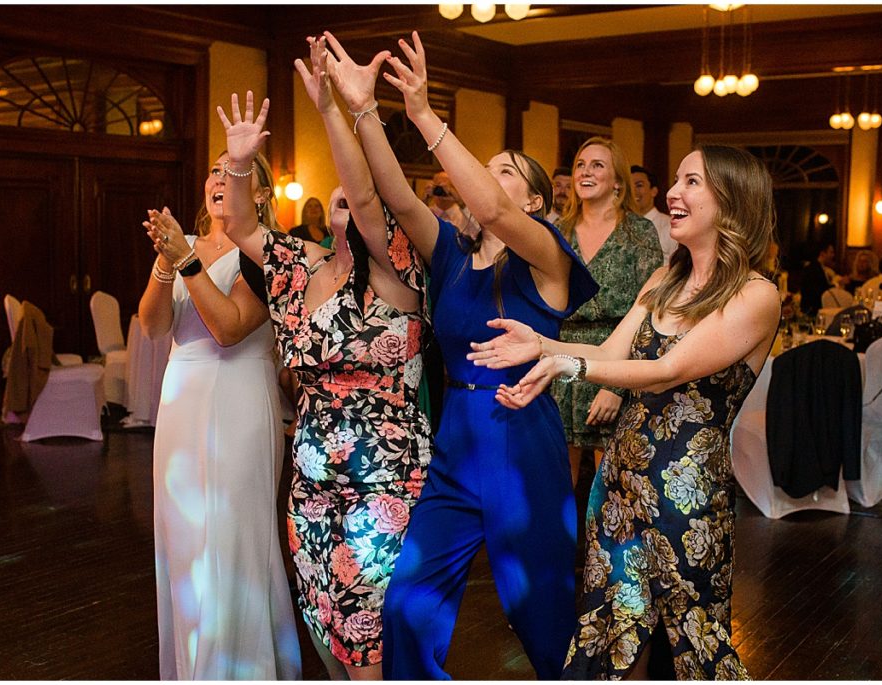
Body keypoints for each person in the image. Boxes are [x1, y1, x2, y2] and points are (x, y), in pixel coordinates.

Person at [321, 30, 598, 679]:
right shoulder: (448, 253)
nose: (485, 178)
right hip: (456, 447)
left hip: (523, 444)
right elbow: (393, 195)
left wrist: (423, 112)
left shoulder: (547, 259)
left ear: (534, 200)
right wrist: (362, 110)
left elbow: (495, 209)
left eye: (504, 168)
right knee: (407, 607)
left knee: (544, 619)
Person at [468, 145, 780, 680]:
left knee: (696, 644)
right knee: (610, 634)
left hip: (687, 503)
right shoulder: (664, 280)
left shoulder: (756, 295)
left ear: (732, 201)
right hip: (619, 486)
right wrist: (542, 344)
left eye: (692, 183)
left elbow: (667, 370)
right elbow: (612, 353)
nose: (674, 194)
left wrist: (565, 364)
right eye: (677, 180)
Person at [219, 69, 433, 679]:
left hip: (385, 482)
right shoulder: (296, 266)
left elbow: (366, 199)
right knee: (324, 623)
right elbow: (240, 227)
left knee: (366, 631)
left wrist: (331, 108)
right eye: (338, 187)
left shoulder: (399, 276)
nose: (348, 193)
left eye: (360, 193)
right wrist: (238, 164)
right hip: (310, 480)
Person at [139, 152, 301, 679]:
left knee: (234, 534)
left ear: (257, 195)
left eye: (232, 173)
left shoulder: (270, 254)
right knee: (184, 535)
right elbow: (153, 326)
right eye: (211, 170)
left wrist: (185, 260)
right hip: (181, 399)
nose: (217, 179)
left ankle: (243, 667)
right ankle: (193, 666)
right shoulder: (183, 245)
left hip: (240, 398)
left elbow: (229, 328)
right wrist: (167, 264)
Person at [554, 139, 663, 488]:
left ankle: (603, 544)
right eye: (580, 165)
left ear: (618, 180)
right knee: (558, 474)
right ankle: (560, 543)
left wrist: (616, 385)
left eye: (597, 165)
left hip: (617, 354)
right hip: (563, 353)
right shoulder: (559, 232)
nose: (586, 171)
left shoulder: (638, 231)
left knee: (610, 478)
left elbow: (650, 311)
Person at [631, 164, 677, 265]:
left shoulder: (670, 226)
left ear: (654, 191)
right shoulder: (621, 226)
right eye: (629, 186)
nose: (633, 191)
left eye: (639, 185)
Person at [798, 240, 839, 315]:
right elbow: (820, 291)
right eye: (831, 252)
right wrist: (837, 285)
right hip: (812, 312)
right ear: (822, 253)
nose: (833, 255)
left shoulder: (820, 268)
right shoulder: (813, 269)